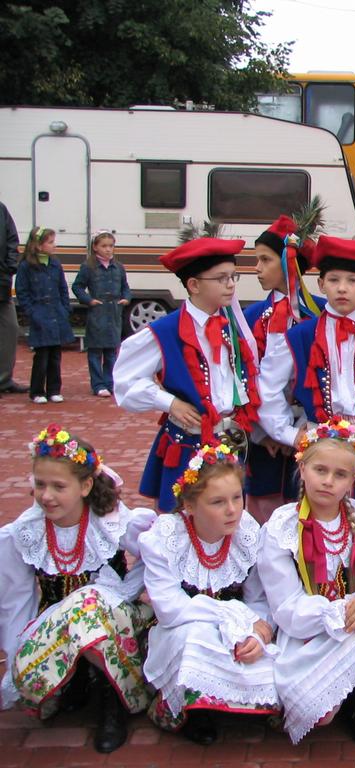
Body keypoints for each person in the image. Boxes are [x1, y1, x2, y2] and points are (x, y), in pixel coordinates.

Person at [0, 425, 155, 753]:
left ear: (85, 486)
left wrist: (123, 591)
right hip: (59, 625)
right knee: (34, 680)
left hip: (112, 621)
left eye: (59, 486)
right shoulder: (25, 531)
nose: (47, 495)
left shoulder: (110, 521)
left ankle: (113, 700)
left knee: (89, 604)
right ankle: (78, 677)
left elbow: (155, 555)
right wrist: (18, 655)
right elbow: (16, 600)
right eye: (40, 484)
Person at [257, 418, 355, 745]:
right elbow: (287, 607)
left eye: (340, 475)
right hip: (308, 629)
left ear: (353, 479)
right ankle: (336, 696)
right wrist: (345, 610)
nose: (328, 482)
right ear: (302, 468)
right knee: (320, 716)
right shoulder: (282, 527)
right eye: (320, 470)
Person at [256, 235, 355, 517]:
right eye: (333, 280)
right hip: (320, 453)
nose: (342, 288)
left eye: (352, 281)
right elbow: (267, 386)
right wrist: (288, 433)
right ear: (321, 284)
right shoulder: (300, 337)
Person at [140, 443, 279, 745]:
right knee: (196, 638)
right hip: (182, 631)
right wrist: (235, 615)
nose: (232, 510)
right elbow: (171, 610)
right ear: (190, 505)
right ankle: (192, 710)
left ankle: (232, 699)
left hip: (235, 634)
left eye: (237, 497)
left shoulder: (248, 533)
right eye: (217, 502)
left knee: (269, 664)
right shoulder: (165, 537)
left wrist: (258, 635)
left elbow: (259, 599)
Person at [113, 238, 261, 513]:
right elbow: (125, 381)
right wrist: (169, 403)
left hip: (229, 443)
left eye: (233, 276)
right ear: (194, 285)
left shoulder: (233, 324)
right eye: (221, 278)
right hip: (187, 444)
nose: (231, 284)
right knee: (182, 519)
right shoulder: (166, 331)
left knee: (227, 517)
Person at [244, 214, 325, 522]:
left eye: (265, 260)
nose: (257, 268)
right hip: (263, 436)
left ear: (289, 263)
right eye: (257, 260)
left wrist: (304, 427)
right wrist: (264, 432)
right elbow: (244, 377)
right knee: (263, 507)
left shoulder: (319, 313)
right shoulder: (251, 317)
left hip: (311, 430)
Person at [16, 227, 74, 403]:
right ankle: (37, 391)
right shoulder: (26, 266)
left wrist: (65, 308)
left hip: (56, 312)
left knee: (56, 355)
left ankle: (54, 390)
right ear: (38, 245)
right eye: (50, 242)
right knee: (41, 356)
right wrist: (32, 312)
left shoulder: (55, 264)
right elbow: (22, 292)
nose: (54, 245)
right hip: (40, 313)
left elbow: (63, 288)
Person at [72, 231, 131, 397]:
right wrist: (89, 300)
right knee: (96, 351)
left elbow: (125, 287)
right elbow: (77, 286)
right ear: (95, 247)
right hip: (98, 312)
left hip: (114, 312)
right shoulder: (88, 267)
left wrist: (126, 298)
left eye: (111, 246)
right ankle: (98, 384)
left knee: (111, 351)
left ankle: (110, 383)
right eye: (104, 246)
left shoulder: (118, 267)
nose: (108, 249)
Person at [0, 201, 27, 394]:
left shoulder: (1, 209)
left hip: (1, 282)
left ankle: (4, 379)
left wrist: (9, 267)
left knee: (10, 328)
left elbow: (12, 239)